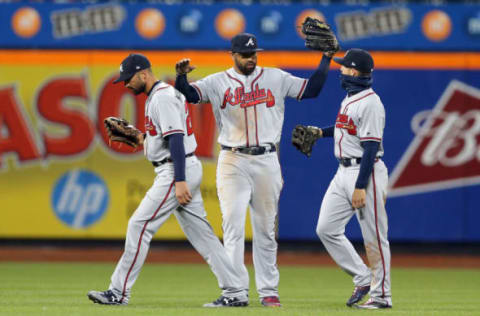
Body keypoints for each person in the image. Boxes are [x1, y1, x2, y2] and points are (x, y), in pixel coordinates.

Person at [174, 33, 334, 307]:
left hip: (267, 160)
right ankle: (235, 292)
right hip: (232, 160)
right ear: (232, 55)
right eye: (246, 55)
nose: (251, 58)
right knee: (233, 225)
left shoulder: (275, 77)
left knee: (265, 229)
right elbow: (190, 95)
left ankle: (269, 291)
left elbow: (312, 89)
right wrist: (181, 77)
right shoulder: (217, 81)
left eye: (254, 53)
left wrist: (326, 58)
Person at [87, 53, 248, 308]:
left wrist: (180, 180)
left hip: (175, 169)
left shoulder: (162, 97)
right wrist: (142, 138)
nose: (126, 84)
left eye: (129, 79)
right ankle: (236, 291)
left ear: (143, 74)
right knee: (204, 236)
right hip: (180, 167)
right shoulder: (159, 96)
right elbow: (165, 137)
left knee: (139, 226)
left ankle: (118, 292)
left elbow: (175, 139)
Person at [295, 49, 392, 309]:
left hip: (366, 172)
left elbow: (370, 147)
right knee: (326, 228)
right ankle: (362, 278)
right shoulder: (351, 98)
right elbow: (344, 129)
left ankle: (381, 296)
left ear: (356, 72)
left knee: (374, 237)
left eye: (344, 67)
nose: (340, 70)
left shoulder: (371, 102)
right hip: (343, 172)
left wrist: (361, 186)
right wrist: (319, 132)